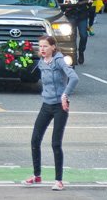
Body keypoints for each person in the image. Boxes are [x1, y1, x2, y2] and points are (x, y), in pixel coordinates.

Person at [24, 35, 77, 191]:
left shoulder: (59, 60)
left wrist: (65, 95)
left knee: (55, 143)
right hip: (46, 104)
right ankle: (37, 175)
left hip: (60, 106)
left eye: (45, 46)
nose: (42, 49)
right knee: (35, 140)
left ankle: (59, 180)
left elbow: (74, 78)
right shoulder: (41, 62)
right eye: (40, 46)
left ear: (53, 47)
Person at [57, 0, 93, 65]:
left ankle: (81, 51)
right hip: (70, 13)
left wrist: (89, 2)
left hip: (82, 14)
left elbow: (88, 0)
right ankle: (74, 55)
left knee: (84, 35)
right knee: (71, 35)